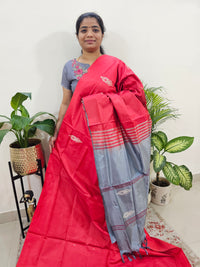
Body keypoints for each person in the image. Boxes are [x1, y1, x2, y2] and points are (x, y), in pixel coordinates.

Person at [17, 12, 191, 267]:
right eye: (84, 29)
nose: (89, 34)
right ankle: (85, 230)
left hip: (109, 145)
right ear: (77, 35)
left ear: (101, 33)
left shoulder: (115, 65)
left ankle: (112, 229)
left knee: (105, 188)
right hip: (79, 142)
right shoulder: (70, 67)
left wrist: (104, 102)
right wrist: (58, 132)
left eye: (95, 29)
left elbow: (135, 95)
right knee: (81, 191)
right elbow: (66, 102)